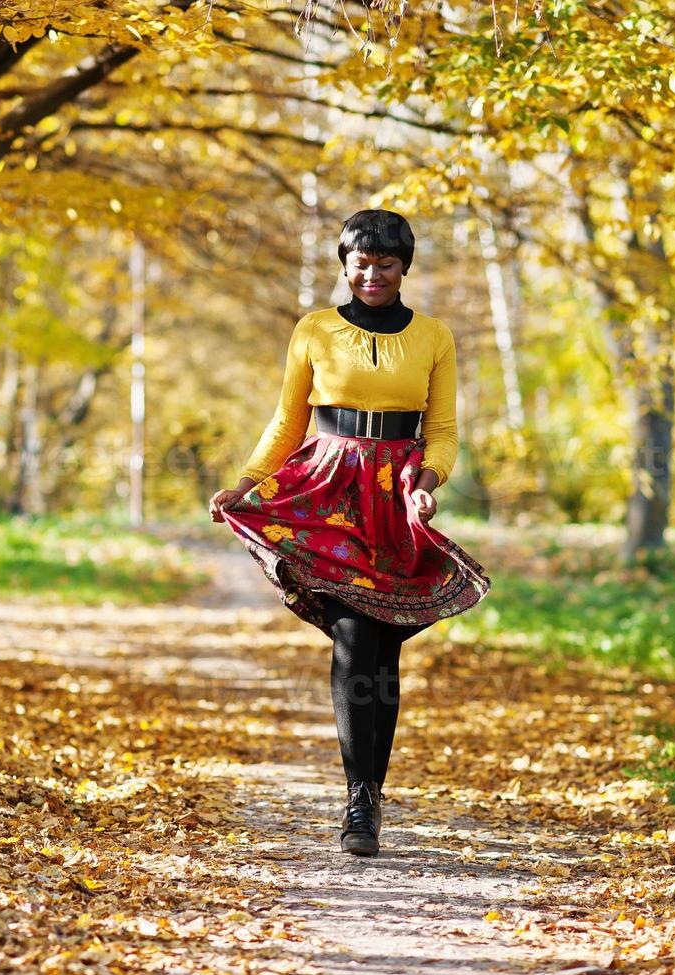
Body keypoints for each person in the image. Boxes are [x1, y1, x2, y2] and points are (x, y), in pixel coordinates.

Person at [207, 208, 492, 857]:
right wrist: (247, 484)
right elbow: (286, 422)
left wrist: (429, 481)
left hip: (393, 498)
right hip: (324, 486)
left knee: (382, 646)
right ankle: (357, 802)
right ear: (344, 265)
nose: (371, 275)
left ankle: (370, 793)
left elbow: (442, 432)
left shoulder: (433, 337)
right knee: (354, 634)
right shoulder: (313, 330)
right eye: (359, 263)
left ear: (402, 269)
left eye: (384, 265)